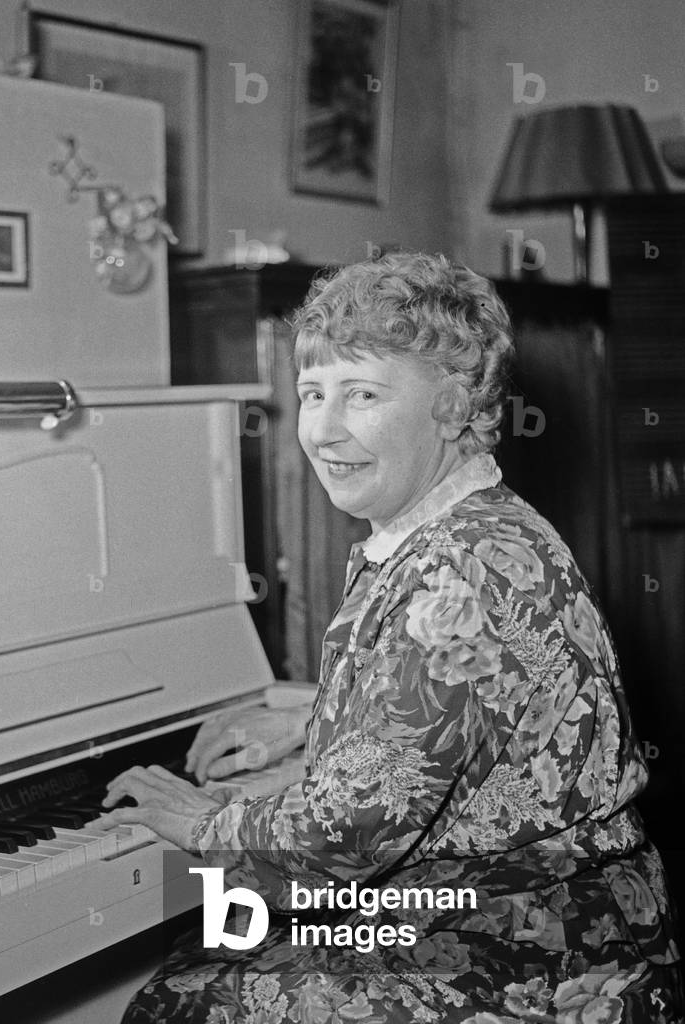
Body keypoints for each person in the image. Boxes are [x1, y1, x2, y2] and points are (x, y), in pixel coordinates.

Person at [100, 252, 683, 1023]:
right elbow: (463, 706)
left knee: (182, 1000)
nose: (323, 430)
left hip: (529, 962)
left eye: (363, 394)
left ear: (451, 408)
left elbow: (338, 842)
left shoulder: (457, 571)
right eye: (312, 393)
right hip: (583, 925)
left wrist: (200, 820)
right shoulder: (473, 524)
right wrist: (311, 724)